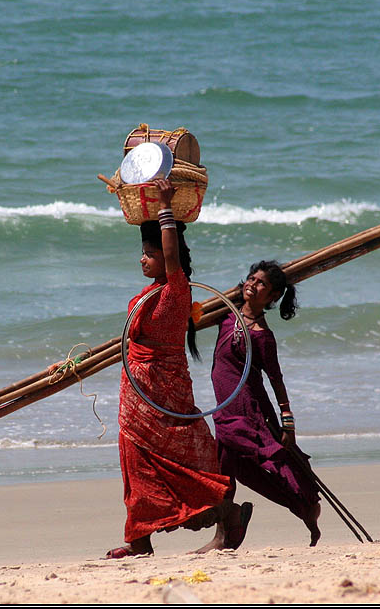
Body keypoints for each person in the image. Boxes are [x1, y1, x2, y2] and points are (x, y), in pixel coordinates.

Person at [105, 178, 252, 559]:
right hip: (138, 395)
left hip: (161, 392)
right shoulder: (151, 291)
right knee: (137, 462)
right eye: (143, 253)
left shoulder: (176, 288)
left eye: (149, 254)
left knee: (172, 464)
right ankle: (139, 539)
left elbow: (172, 258)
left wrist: (166, 207)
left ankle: (226, 514)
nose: (142, 259)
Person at [209, 260, 323, 546]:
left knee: (274, 462)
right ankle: (226, 532)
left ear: (272, 297)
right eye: (251, 278)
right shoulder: (226, 313)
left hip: (245, 410)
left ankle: (307, 506)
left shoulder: (261, 335)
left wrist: (287, 421)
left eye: (262, 284)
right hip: (224, 409)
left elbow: (276, 379)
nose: (253, 284)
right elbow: (193, 315)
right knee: (226, 468)